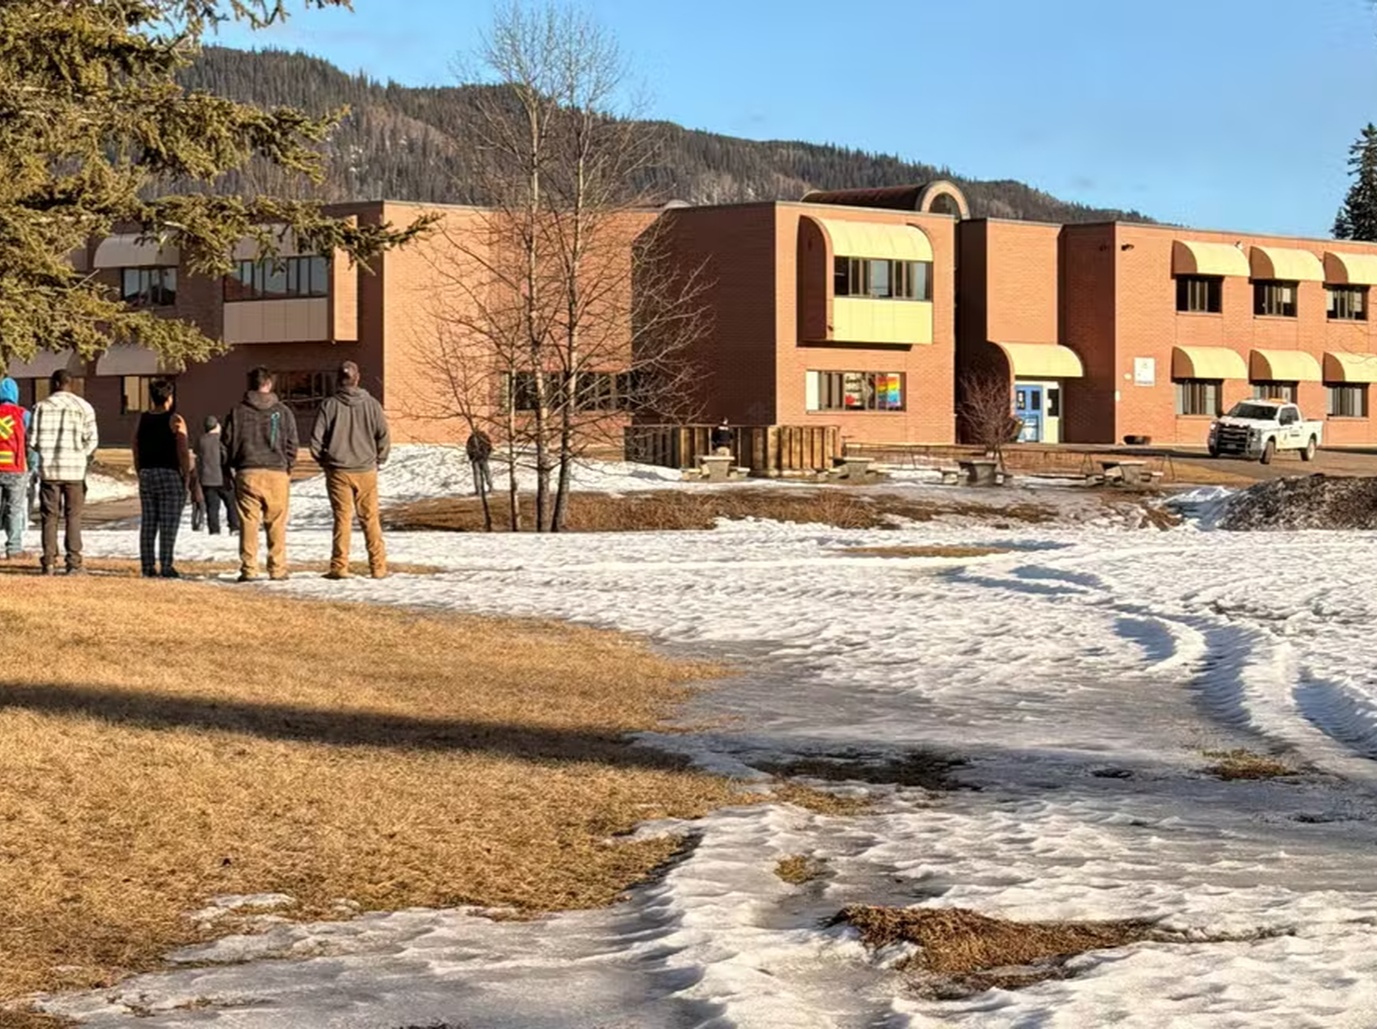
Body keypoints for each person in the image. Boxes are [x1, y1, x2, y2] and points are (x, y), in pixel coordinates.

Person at [309, 360, 390, 580]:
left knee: (342, 519)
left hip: (338, 470)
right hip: (366, 469)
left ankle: (339, 566)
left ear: (338, 379)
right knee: (370, 518)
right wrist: (379, 459)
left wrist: (324, 462)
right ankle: (378, 567)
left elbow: (316, 440)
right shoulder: (372, 404)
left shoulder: (329, 405)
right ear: (358, 378)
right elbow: (383, 435)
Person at [222, 366, 298, 582]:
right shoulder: (283, 412)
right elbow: (292, 444)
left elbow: (226, 444)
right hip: (277, 472)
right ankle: (277, 568)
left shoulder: (237, 412)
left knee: (248, 522)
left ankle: (249, 568)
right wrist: (288, 465)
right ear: (269, 384)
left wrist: (230, 468)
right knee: (276, 522)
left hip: (247, 471)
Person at [30, 369, 98, 575]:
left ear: (54, 384)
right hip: (75, 471)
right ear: (71, 384)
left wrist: (45, 452)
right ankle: (74, 561)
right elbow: (92, 440)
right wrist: (81, 455)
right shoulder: (84, 407)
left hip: (49, 470)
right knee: (73, 516)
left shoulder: (40, 407)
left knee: (49, 516)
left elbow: (32, 440)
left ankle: (49, 561)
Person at [132, 379, 199, 578]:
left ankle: (147, 565)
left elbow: (135, 446)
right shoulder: (175, 419)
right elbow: (182, 449)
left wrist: (139, 470)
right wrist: (186, 475)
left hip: (147, 472)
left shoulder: (142, 419)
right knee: (168, 522)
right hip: (169, 473)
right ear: (169, 397)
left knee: (149, 522)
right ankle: (167, 564)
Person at [0, 377, 32, 560]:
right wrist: (33, 465)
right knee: (14, 509)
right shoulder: (22, 414)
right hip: (16, 468)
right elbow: (31, 441)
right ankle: (14, 548)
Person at [195, 415, 240, 536]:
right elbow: (225, 457)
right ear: (216, 426)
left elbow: (197, 455)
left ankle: (214, 530)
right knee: (231, 504)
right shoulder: (220, 440)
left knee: (212, 507)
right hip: (222, 477)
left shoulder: (201, 440)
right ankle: (234, 527)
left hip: (207, 479)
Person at [466, 428, 493, 495]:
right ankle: (490, 487)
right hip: (484, 458)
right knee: (487, 473)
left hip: (475, 459)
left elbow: (468, 448)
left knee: (477, 474)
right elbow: (489, 447)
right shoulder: (485, 437)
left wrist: (471, 457)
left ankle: (478, 490)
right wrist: (486, 455)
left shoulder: (471, 438)